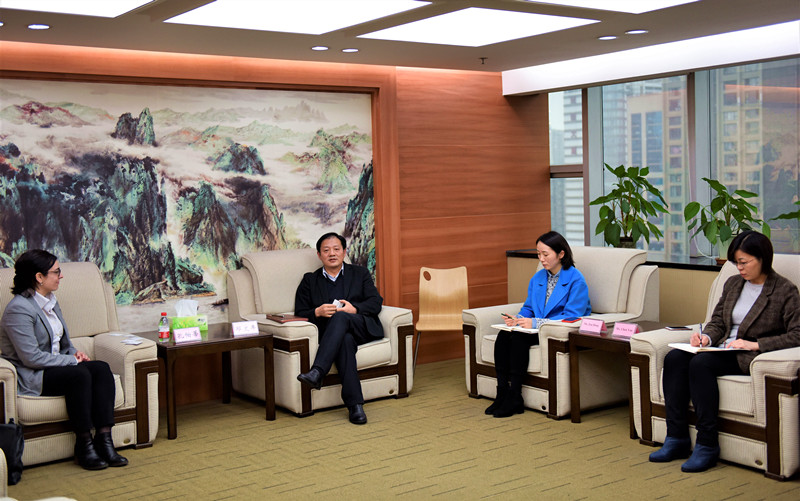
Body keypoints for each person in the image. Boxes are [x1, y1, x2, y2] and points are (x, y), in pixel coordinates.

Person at [649, 231, 800, 472]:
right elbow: (718, 321)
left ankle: (707, 445)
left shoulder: (784, 291)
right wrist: (706, 338)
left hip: (747, 355)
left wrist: (755, 344)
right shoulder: (733, 284)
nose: (739, 268)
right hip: (720, 348)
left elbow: (797, 334)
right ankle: (676, 438)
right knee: (675, 358)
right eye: (736, 263)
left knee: (701, 364)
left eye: (744, 262)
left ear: (762, 258)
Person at [0, 250, 128, 470]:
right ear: (39, 277)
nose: (61, 276)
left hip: (56, 366)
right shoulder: (18, 309)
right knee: (79, 374)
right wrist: (72, 362)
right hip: (34, 374)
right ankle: (84, 445)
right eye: (56, 272)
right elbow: (31, 358)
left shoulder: (50, 300)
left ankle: (104, 440)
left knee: (101, 369)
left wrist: (75, 353)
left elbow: (62, 342)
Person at [486, 231, 591, 418]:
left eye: (545, 254)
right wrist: (517, 319)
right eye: (538, 254)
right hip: (535, 328)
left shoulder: (576, 280)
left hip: (556, 331)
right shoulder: (538, 278)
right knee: (504, 335)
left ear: (561, 254)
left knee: (518, 338)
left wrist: (534, 322)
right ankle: (502, 392)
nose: (541, 259)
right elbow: (529, 307)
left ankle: (515, 396)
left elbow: (572, 317)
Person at [294, 232, 383, 425]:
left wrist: (355, 309)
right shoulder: (310, 280)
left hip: (361, 326)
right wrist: (317, 312)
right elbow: (300, 312)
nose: (332, 254)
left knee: (341, 316)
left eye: (336, 249)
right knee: (344, 341)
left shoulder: (360, 273)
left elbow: (376, 302)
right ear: (319, 255)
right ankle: (355, 406)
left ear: (344, 252)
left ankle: (318, 371)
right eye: (326, 250)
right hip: (333, 335)